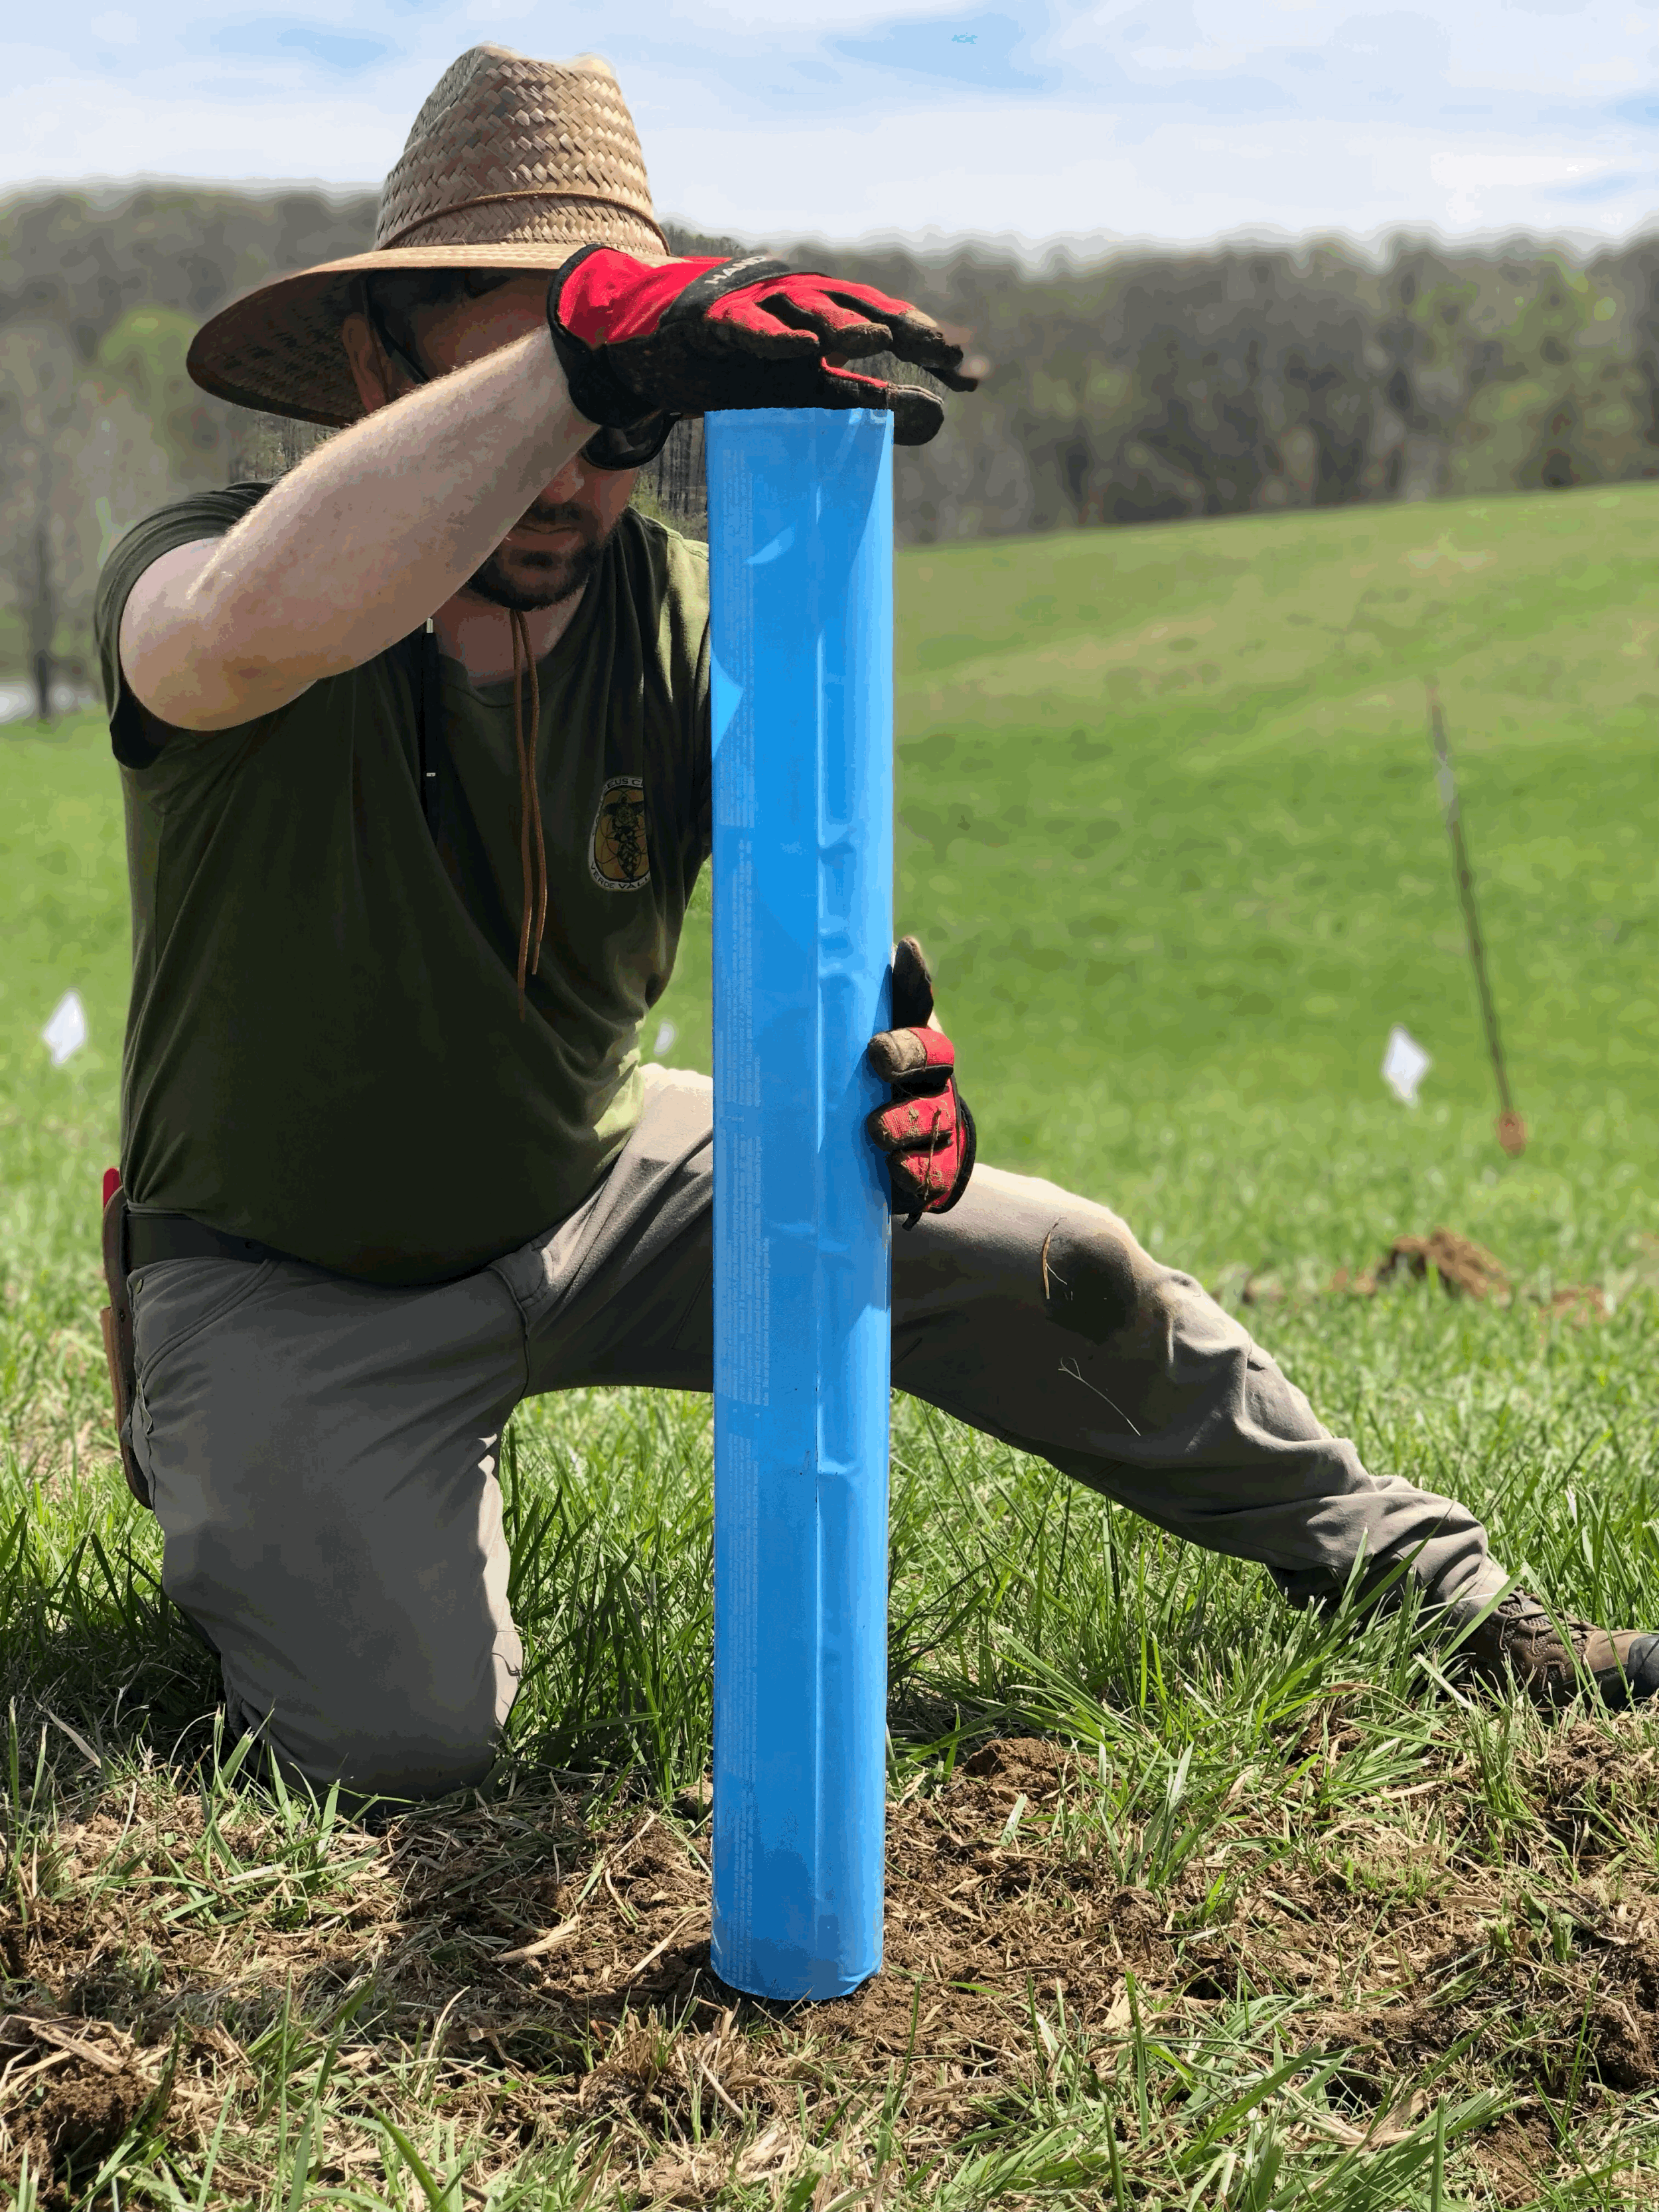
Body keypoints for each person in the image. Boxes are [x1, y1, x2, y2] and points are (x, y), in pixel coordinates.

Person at [94, 43, 1658, 1801]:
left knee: (1068, 1264)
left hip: (596, 1179)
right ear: (381, 369)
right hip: (295, 1273)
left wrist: (884, 1073)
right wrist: (576, 359)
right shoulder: (222, 558)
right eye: (517, 397)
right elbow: (227, 633)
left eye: (619, 421)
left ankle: (1444, 1592)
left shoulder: (678, 613)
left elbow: (818, 913)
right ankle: (232, 1448)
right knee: (406, 1738)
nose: (570, 477)